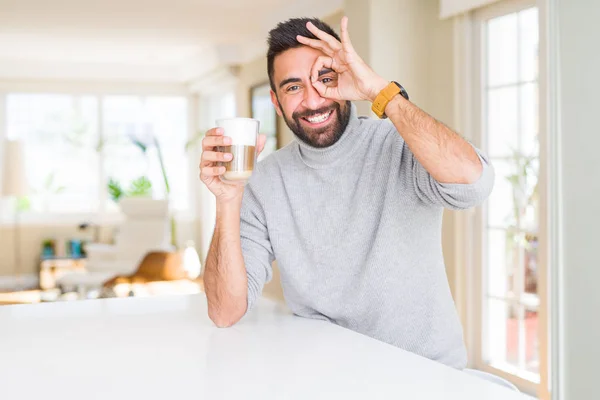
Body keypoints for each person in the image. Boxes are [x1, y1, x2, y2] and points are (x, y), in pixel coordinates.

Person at [199, 17, 494, 369]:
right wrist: (227, 200)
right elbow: (224, 311)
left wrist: (380, 92)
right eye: (293, 88)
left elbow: (474, 185)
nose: (313, 99)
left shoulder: (401, 145)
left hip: (424, 374)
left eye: (325, 79)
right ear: (277, 103)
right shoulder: (264, 182)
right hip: (326, 377)